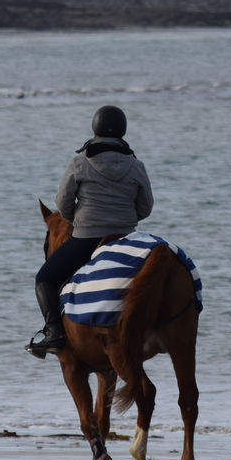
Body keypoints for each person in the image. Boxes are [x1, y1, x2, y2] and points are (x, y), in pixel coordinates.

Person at [27, 105, 154, 359]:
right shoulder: (136, 165)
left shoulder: (79, 163)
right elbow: (146, 207)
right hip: (126, 238)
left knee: (45, 278)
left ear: (94, 129)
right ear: (122, 131)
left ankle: (54, 334)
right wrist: (124, 222)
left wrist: (81, 222)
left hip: (87, 239)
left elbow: (62, 205)